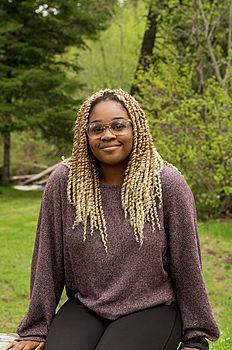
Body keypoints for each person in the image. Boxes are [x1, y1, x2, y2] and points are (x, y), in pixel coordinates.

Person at [8, 89, 220, 350]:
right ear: (85, 135)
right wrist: (36, 329)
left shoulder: (167, 184)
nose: (107, 135)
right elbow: (47, 260)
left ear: (136, 129)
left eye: (118, 126)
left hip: (152, 308)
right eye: (97, 129)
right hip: (87, 306)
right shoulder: (64, 184)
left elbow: (187, 263)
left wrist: (196, 338)